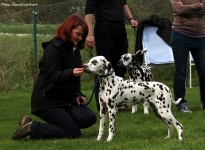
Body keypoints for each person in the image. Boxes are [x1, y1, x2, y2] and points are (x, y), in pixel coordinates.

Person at [12, 14, 97, 140]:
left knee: (89, 118)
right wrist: (71, 72)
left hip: (65, 99)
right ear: (68, 29)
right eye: (77, 34)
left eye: (82, 36)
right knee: (74, 133)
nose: (80, 38)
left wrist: (78, 94)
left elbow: (75, 79)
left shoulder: (75, 51)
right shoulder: (54, 48)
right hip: (47, 99)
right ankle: (32, 127)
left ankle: (62, 124)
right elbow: (53, 75)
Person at [85, 0, 138, 111]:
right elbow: (89, 10)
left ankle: (119, 102)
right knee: (102, 67)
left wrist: (131, 18)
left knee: (120, 66)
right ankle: (102, 103)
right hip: (104, 26)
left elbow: (123, 4)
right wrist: (89, 34)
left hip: (120, 27)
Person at [170, 0, 205, 112]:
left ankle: (204, 102)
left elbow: (183, 10)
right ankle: (181, 104)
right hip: (181, 34)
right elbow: (178, 9)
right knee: (181, 71)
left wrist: (187, 9)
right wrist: (199, 5)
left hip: (201, 35)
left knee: (204, 70)